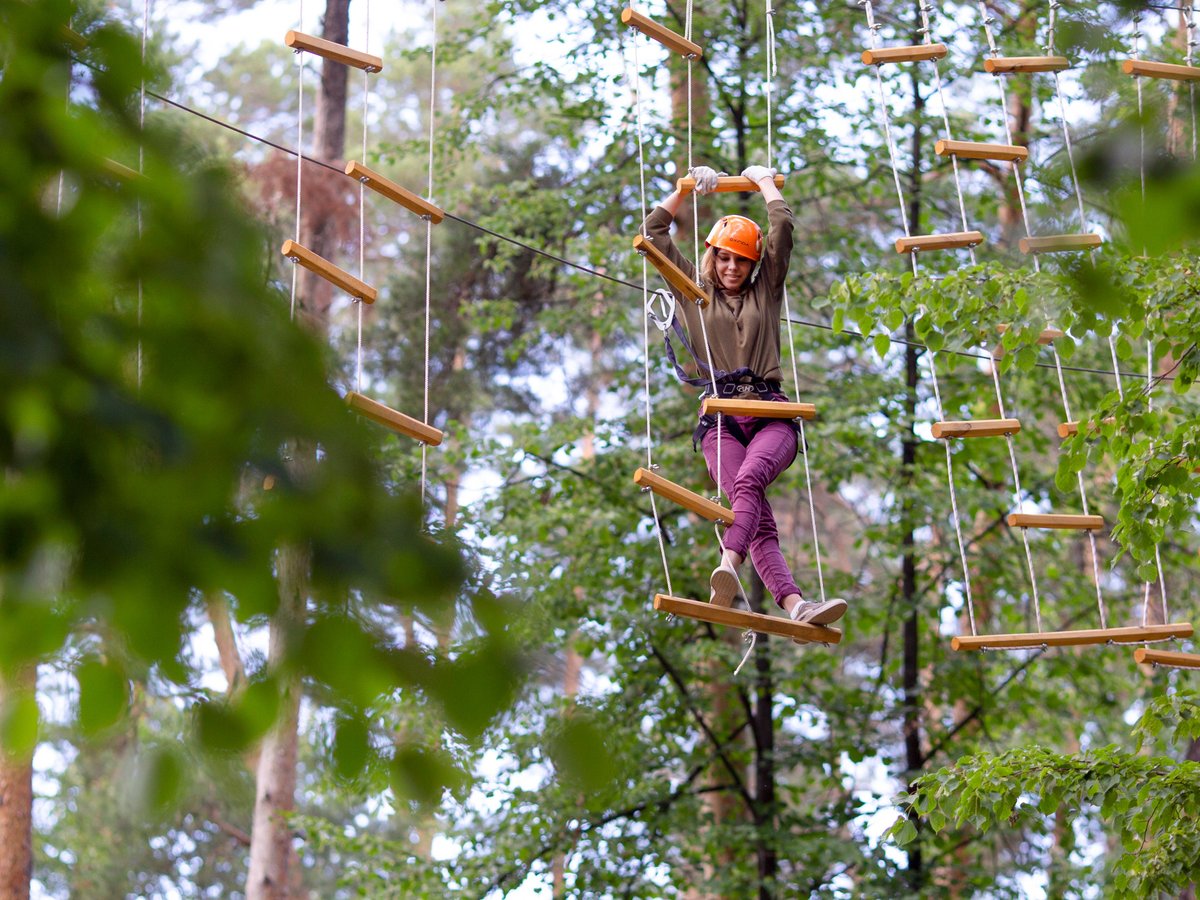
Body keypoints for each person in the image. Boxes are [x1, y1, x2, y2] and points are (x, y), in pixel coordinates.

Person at [639, 164, 846, 626]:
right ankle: (797, 607)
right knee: (754, 517)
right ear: (712, 257)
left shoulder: (766, 292)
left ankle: (727, 566)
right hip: (720, 421)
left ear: (754, 265)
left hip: (770, 411)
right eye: (724, 258)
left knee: (749, 484)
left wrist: (764, 183)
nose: (732, 268)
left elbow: (783, 228)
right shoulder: (692, 288)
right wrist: (683, 190)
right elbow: (652, 233)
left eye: (741, 261)